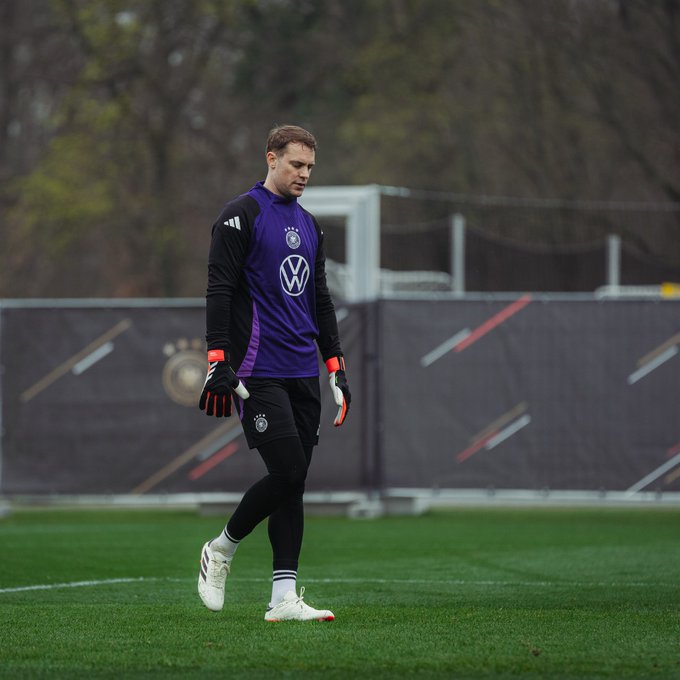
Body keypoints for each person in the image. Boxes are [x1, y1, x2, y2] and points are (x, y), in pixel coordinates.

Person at [197, 124, 351, 622]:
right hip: (256, 370)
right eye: (296, 164)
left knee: (294, 482)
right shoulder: (240, 215)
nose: (304, 174)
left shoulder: (310, 226)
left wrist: (335, 366)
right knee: (288, 471)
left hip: (303, 370)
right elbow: (219, 290)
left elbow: (320, 300)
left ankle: (283, 597)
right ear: (271, 158)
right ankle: (220, 549)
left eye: (310, 167)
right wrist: (217, 359)